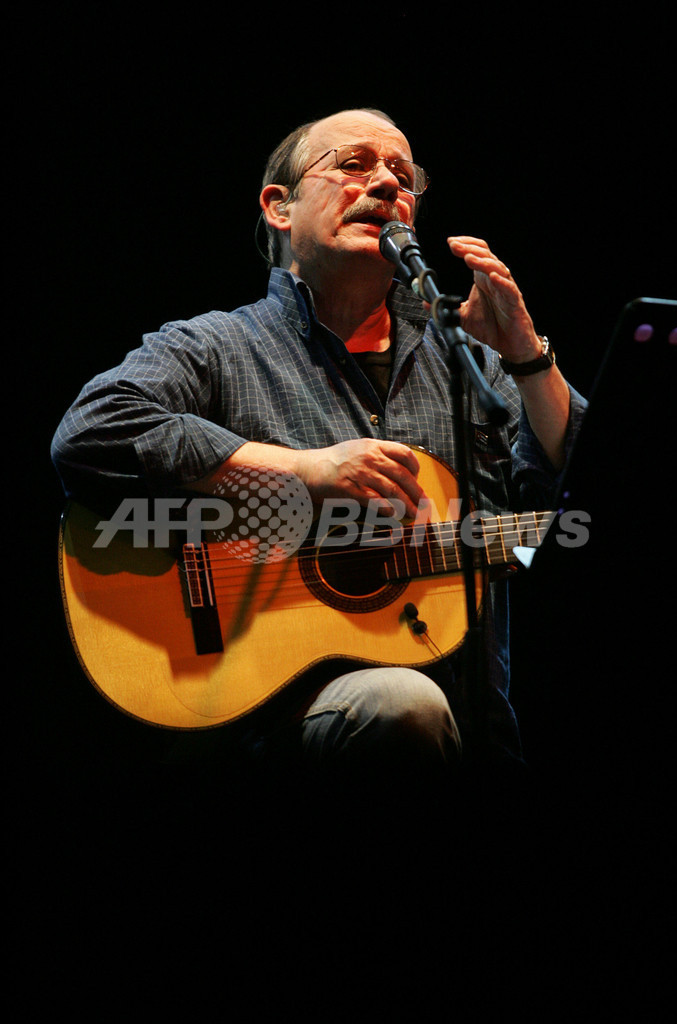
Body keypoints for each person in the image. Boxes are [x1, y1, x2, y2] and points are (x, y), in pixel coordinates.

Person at [51, 107, 586, 822]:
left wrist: (525, 356)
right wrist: (301, 471)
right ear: (279, 207)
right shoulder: (214, 346)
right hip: (258, 723)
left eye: (403, 176)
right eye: (354, 165)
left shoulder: (472, 365)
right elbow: (92, 432)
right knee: (400, 702)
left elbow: (573, 506)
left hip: (471, 731)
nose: (386, 186)